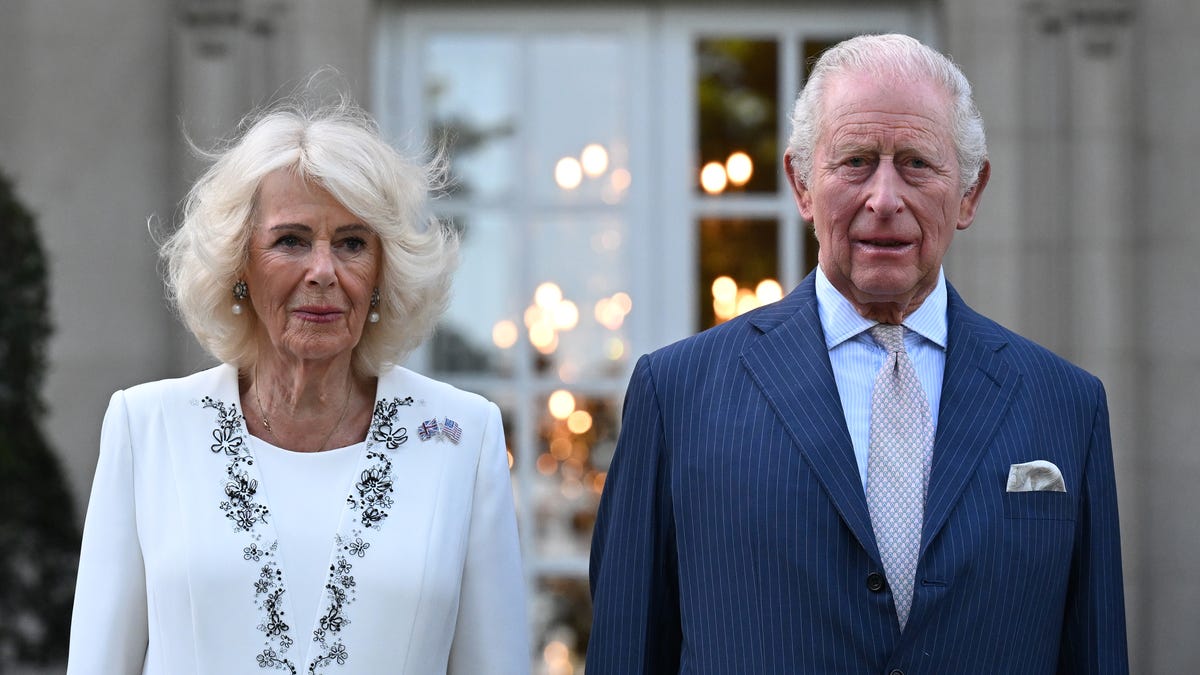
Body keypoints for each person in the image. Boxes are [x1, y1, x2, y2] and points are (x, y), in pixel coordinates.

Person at [588, 33, 1127, 673]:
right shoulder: (678, 394)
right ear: (801, 184)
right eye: (856, 161)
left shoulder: (1065, 404)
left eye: (917, 164)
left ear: (971, 193)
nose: (885, 198)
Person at [67, 97, 530, 674]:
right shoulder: (147, 428)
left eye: (352, 243)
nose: (322, 271)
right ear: (239, 265)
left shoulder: (462, 434)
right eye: (291, 240)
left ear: (384, 273)